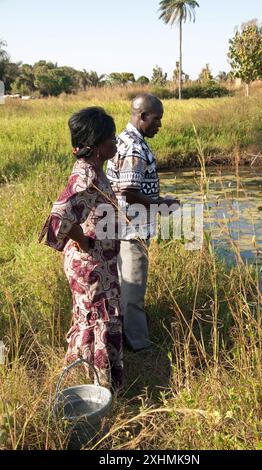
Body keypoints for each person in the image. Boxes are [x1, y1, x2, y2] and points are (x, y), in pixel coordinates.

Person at [39, 107, 123, 390]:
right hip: (91, 264)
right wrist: (82, 239)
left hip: (100, 263)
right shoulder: (85, 178)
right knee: (96, 321)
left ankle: (90, 380)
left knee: (94, 319)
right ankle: (92, 384)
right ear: (98, 144)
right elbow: (59, 219)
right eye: (112, 137)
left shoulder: (95, 171)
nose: (116, 142)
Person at [106, 94, 179, 352]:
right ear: (142, 116)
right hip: (131, 230)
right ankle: (139, 345)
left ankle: (120, 335)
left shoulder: (123, 140)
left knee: (122, 285)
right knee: (133, 292)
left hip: (119, 226)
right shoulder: (135, 147)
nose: (159, 125)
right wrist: (162, 204)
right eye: (157, 119)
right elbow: (129, 191)